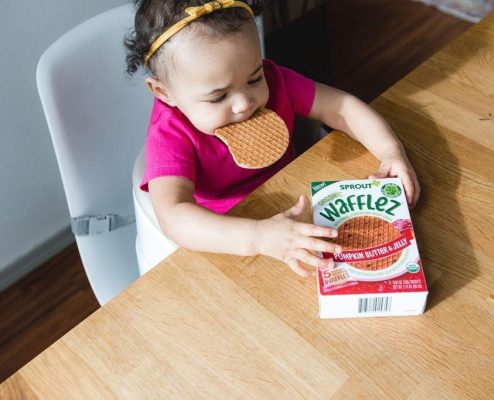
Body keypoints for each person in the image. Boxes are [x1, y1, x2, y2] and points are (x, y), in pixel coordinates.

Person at [125, 0, 420, 277]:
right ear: (164, 92)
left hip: (296, 209)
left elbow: (340, 107)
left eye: (253, 79)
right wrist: (258, 237)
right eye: (218, 97)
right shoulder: (171, 135)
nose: (244, 103)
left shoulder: (276, 81)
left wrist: (390, 150)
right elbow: (174, 217)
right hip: (232, 241)